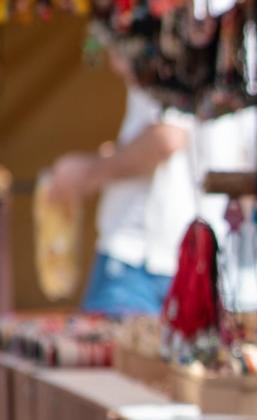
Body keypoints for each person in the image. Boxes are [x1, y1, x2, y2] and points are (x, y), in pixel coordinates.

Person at [49, 47, 206, 316]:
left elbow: (166, 139)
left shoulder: (165, 59)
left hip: (142, 262)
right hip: (161, 258)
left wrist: (87, 173)